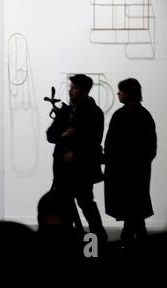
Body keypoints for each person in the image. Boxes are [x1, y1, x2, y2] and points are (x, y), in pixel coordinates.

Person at [46, 74, 107, 242]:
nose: (70, 90)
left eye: (74, 88)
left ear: (84, 90)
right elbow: (50, 135)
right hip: (62, 167)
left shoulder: (95, 113)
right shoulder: (65, 111)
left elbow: (94, 141)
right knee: (65, 203)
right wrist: (62, 134)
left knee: (85, 202)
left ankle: (98, 237)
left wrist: (76, 153)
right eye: (70, 87)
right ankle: (77, 235)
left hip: (83, 168)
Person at [104, 78, 157, 246]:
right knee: (133, 213)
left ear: (130, 93)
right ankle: (133, 241)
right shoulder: (119, 115)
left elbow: (149, 147)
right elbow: (110, 143)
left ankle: (127, 241)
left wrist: (136, 165)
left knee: (133, 211)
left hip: (135, 173)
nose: (118, 93)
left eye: (121, 90)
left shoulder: (143, 117)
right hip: (120, 172)